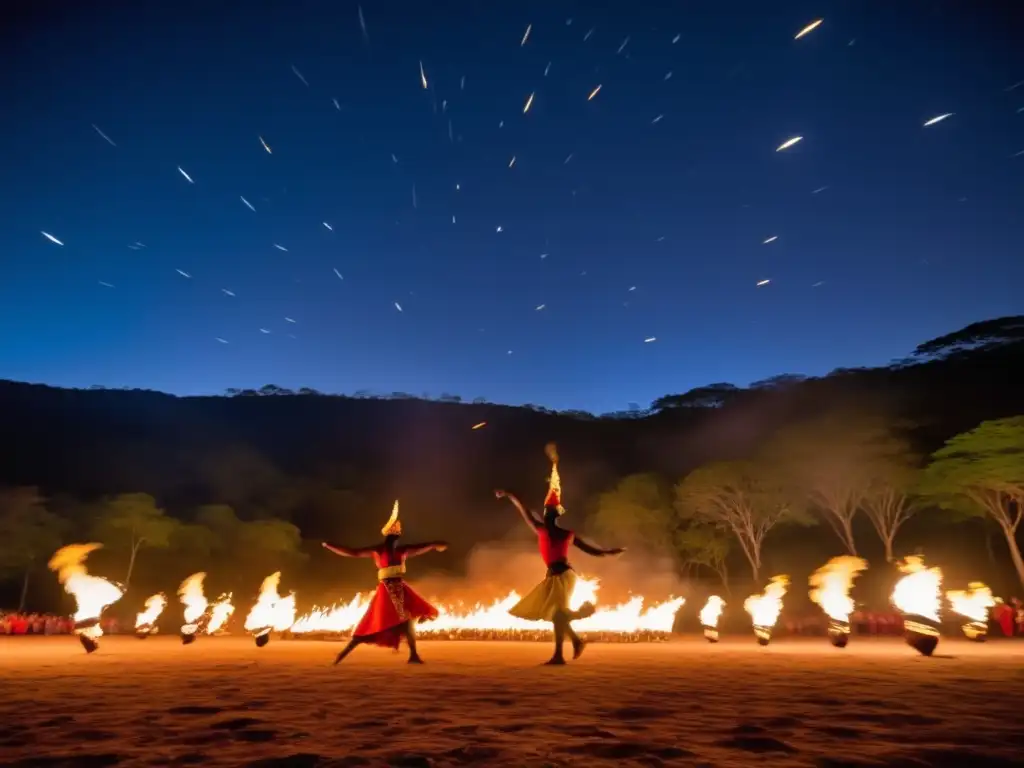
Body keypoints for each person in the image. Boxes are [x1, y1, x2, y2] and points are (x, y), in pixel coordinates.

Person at [495, 443, 624, 665]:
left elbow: (591, 551)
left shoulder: (555, 531)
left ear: (552, 516)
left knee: (558, 615)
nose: (545, 515)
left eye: (548, 513)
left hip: (564, 576)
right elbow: (523, 508)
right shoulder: (546, 529)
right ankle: (574, 642)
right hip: (555, 576)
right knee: (557, 615)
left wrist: (608, 552)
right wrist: (509, 494)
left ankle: (575, 629)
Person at [322, 500, 447, 665]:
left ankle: (413, 655)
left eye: (397, 535)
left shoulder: (403, 550)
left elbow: (422, 547)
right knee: (373, 623)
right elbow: (353, 552)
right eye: (393, 535)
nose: (396, 537)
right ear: (388, 536)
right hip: (386, 590)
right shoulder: (377, 550)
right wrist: (330, 546)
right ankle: (342, 655)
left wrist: (433, 544)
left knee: (407, 622)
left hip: (400, 588)